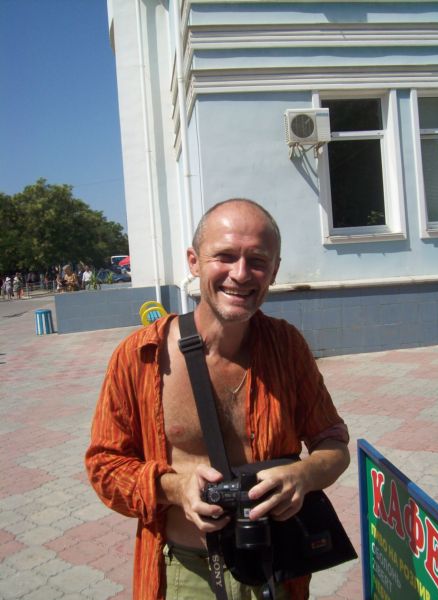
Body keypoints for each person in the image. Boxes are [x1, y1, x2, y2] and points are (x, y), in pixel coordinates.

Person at [85, 199, 350, 600]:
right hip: (185, 570)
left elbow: (333, 444)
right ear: (194, 262)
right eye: (224, 256)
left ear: (274, 270)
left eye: (257, 261)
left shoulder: (287, 347)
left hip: (276, 566)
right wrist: (175, 488)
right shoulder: (141, 356)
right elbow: (104, 466)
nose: (240, 274)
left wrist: (303, 476)